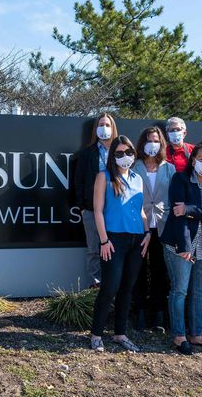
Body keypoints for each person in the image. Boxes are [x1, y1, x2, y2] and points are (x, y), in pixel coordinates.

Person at [89, 135, 151, 353]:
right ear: (112, 156)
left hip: (137, 241)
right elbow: (97, 211)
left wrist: (147, 233)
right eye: (119, 153)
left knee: (127, 289)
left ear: (134, 154)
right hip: (113, 240)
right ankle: (96, 334)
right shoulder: (103, 177)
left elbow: (141, 210)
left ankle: (120, 334)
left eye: (129, 152)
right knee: (109, 288)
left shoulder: (137, 178)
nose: (125, 157)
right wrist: (104, 240)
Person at [161, 141, 202, 354]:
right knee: (180, 290)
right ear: (193, 159)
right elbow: (177, 216)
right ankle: (179, 336)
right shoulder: (180, 179)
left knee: (199, 292)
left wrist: (189, 208)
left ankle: (196, 334)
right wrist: (184, 246)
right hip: (180, 245)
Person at [132, 127, 176, 331]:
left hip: (163, 224)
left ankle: (158, 312)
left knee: (160, 269)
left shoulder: (169, 168)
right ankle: (139, 311)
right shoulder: (134, 166)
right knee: (138, 269)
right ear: (142, 143)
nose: (152, 143)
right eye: (149, 140)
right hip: (139, 224)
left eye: (156, 140)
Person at [73, 113, 119, 288]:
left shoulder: (120, 151)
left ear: (113, 127)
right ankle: (95, 286)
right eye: (101, 124)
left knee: (115, 249)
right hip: (91, 209)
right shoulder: (87, 153)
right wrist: (82, 207)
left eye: (108, 124)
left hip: (115, 209)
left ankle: (112, 286)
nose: (104, 128)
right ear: (96, 129)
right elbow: (78, 180)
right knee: (94, 249)